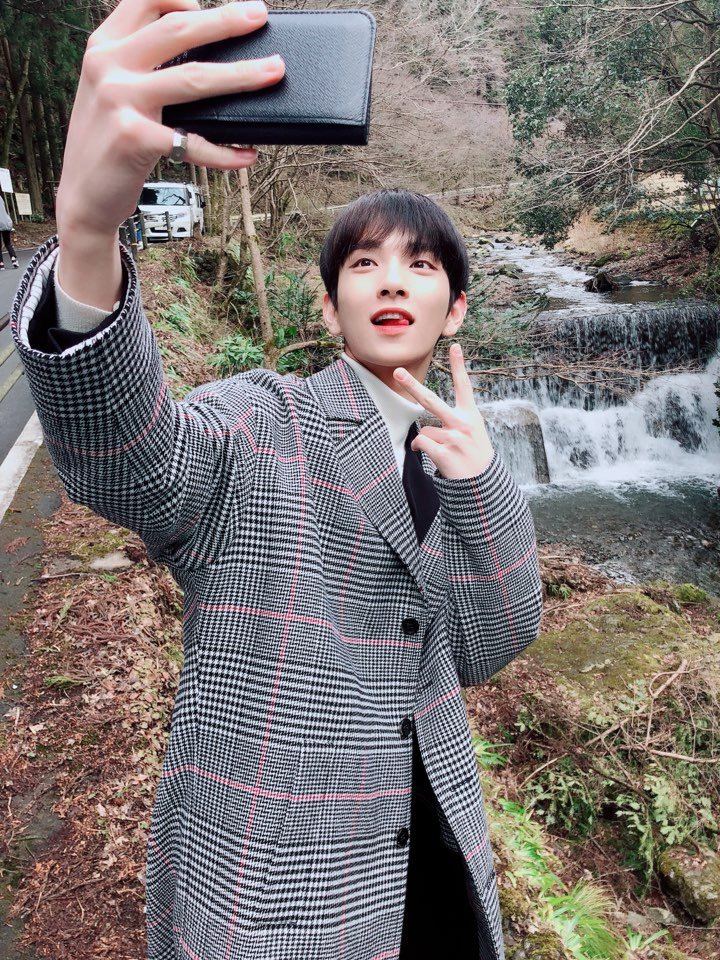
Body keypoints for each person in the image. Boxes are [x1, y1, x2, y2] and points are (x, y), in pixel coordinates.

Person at [10, 2, 544, 958]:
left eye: (420, 265)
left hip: (434, 867)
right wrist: (88, 233)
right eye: (365, 262)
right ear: (330, 304)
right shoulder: (262, 421)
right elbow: (131, 463)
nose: (392, 280)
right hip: (274, 893)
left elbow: (486, 646)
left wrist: (486, 485)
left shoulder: (461, 456)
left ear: (456, 308)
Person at [0, 192, 19, 269]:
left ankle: (1, 264)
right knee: (7, 242)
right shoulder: (0, 198)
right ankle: (13, 259)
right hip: (5, 222)